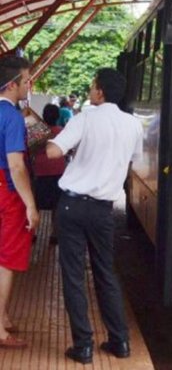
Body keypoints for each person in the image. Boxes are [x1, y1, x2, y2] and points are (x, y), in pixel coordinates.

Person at [46, 68, 143, 364]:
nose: (90, 91)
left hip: (72, 207)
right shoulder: (133, 125)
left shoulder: (85, 117)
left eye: (92, 87)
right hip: (103, 210)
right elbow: (132, 161)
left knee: (73, 275)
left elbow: (52, 152)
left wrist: (67, 151)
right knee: (105, 273)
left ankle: (84, 346)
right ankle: (120, 341)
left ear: (100, 92)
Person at [0, 55, 39, 348]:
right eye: (26, 80)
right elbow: (16, 166)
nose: (29, 85)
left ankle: (3, 318)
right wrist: (30, 204)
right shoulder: (11, 116)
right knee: (7, 259)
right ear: (11, 84)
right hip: (7, 192)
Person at [31, 104, 65, 244]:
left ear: (43, 116)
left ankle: (32, 233)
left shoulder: (38, 131)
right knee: (56, 205)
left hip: (39, 173)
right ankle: (55, 235)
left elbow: (30, 150)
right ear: (58, 116)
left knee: (35, 204)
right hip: (58, 173)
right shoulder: (62, 132)